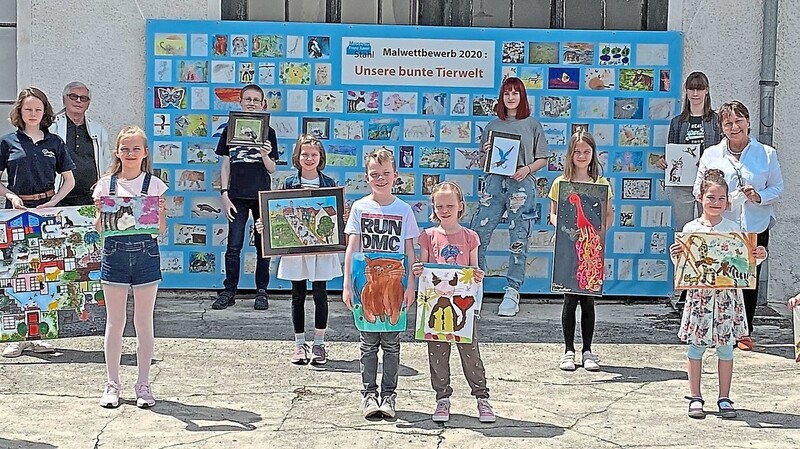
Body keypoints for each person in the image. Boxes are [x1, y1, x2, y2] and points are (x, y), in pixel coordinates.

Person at [671, 169, 767, 419]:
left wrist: (757, 257)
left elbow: (744, 265)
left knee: (726, 349)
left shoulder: (735, 229)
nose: (716, 203)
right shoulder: (690, 228)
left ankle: (724, 397)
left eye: (721, 198)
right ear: (700, 198)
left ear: (728, 201)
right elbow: (684, 267)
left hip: (727, 300)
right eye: (711, 197)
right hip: (700, 299)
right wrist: (676, 256)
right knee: (696, 347)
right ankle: (695, 396)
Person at [694, 100, 783, 350]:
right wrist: (719, 200)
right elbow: (697, 188)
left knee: (748, 279)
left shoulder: (766, 153)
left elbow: (778, 188)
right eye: (728, 123)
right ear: (722, 127)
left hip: (754, 224)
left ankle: (744, 331)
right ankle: (718, 330)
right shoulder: (712, 154)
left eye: (738, 121)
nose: (734, 127)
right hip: (723, 226)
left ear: (748, 122)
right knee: (722, 278)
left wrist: (758, 196)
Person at [93, 126, 168, 408]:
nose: (131, 153)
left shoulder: (156, 185)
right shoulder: (105, 185)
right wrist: (100, 211)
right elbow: (100, 229)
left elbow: (160, 230)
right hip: (114, 253)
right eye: (125, 148)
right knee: (114, 322)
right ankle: (112, 383)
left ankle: (143, 383)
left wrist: (160, 212)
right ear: (117, 152)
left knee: (143, 320)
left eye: (136, 148)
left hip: (147, 252)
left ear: (145, 152)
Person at [343, 147, 419, 419]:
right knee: (367, 344)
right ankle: (369, 395)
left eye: (386, 173)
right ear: (366, 176)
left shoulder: (404, 209)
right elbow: (352, 249)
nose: (381, 178)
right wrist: (347, 284)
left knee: (391, 344)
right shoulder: (360, 208)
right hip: (367, 282)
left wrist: (411, 285)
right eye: (375, 174)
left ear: (395, 175)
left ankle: (389, 395)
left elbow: (410, 251)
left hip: (395, 284)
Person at [0, 87, 76, 358]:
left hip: (47, 213)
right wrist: (10, 194)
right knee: (16, 274)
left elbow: (69, 180)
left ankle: (42, 335)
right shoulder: (8, 142)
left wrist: (54, 202)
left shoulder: (54, 143)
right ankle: (16, 336)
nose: (33, 114)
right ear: (19, 111)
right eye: (28, 109)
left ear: (45, 112)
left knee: (46, 274)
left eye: (38, 109)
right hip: (16, 213)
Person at [411, 181, 494, 424]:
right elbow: (424, 267)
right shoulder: (427, 236)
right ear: (433, 208)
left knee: (470, 352)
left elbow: (474, 268)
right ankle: (442, 398)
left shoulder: (470, 237)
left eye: (450, 205)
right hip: (435, 305)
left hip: (464, 306)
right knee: (437, 353)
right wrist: (418, 269)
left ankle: (482, 397)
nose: (444, 210)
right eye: (439, 206)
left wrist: (477, 275)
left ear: (460, 206)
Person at [255, 135, 342, 365]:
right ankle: (299, 344)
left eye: (314, 154)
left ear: (321, 157)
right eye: (305, 154)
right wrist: (265, 225)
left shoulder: (329, 184)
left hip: (321, 250)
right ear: (297, 157)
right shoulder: (289, 184)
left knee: (321, 294)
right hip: (296, 250)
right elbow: (275, 215)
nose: (309, 158)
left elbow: (335, 217)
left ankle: (319, 343)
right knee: (297, 295)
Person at [470, 77, 548, 317]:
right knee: (478, 234)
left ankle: (513, 290)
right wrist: (485, 154)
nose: (511, 97)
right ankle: (475, 286)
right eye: (506, 93)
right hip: (494, 183)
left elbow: (543, 158)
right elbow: (484, 163)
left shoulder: (532, 125)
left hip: (521, 185)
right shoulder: (492, 126)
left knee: (519, 237)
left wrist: (527, 169)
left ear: (522, 97)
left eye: (515, 93)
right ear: (501, 98)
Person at [548, 132, 614, 372]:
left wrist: (596, 239)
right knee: (569, 298)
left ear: (593, 154)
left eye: (587, 152)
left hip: (592, 247)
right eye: (578, 152)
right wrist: (564, 231)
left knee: (588, 300)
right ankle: (568, 350)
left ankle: (587, 350)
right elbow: (553, 214)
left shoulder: (602, 184)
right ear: (571, 154)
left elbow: (608, 215)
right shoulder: (560, 183)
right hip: (568, 245)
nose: (582, 156)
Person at [658, 72, 722, 308]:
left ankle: (709, 286)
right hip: (682, 186)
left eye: (699, 89)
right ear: (685, 91)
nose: (695, 94)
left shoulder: (715, 120)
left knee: (709, 233)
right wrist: (664, 161)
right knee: (685, 234)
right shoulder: (678, 122)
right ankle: (686, 288)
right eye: (691, 89)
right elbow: (671, 152)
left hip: (709, 186)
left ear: (706, 91)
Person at [211, 84, 278, 311]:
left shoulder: (269, 132)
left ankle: (262, 292)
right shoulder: (230, 129)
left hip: (261, 197)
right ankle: (229, 291)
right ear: (240, 102)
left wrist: (266, 154)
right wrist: (224, 195)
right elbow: (225, 165)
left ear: (262, 104)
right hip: (237, 197)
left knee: (263, 247)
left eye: (255, 100)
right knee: (233, 246)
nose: (251, 103)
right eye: (247, 99)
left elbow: (271, 169)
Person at [51, 81, 111, 206]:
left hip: (90, 198)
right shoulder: (52, 128)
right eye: (73, 96)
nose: (78, 101)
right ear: (64, 99)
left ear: (88, 104)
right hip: (58, 198)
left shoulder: (98, 130)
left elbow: (107, 164)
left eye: (83, 98)